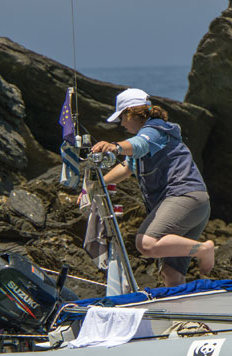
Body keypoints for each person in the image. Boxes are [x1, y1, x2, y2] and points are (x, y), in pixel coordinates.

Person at [90, 88, 214, 287]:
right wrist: (97, 185)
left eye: (121, 117)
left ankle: (203, 250)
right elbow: (128, 167)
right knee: (171, 274)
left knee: (146, 243)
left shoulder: (155, 130)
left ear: (131, 113)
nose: (121, 124)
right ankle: (180, 308)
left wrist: (115, 146)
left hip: (184, 197)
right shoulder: (152, 137)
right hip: (196, 205)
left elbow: (139, 144)